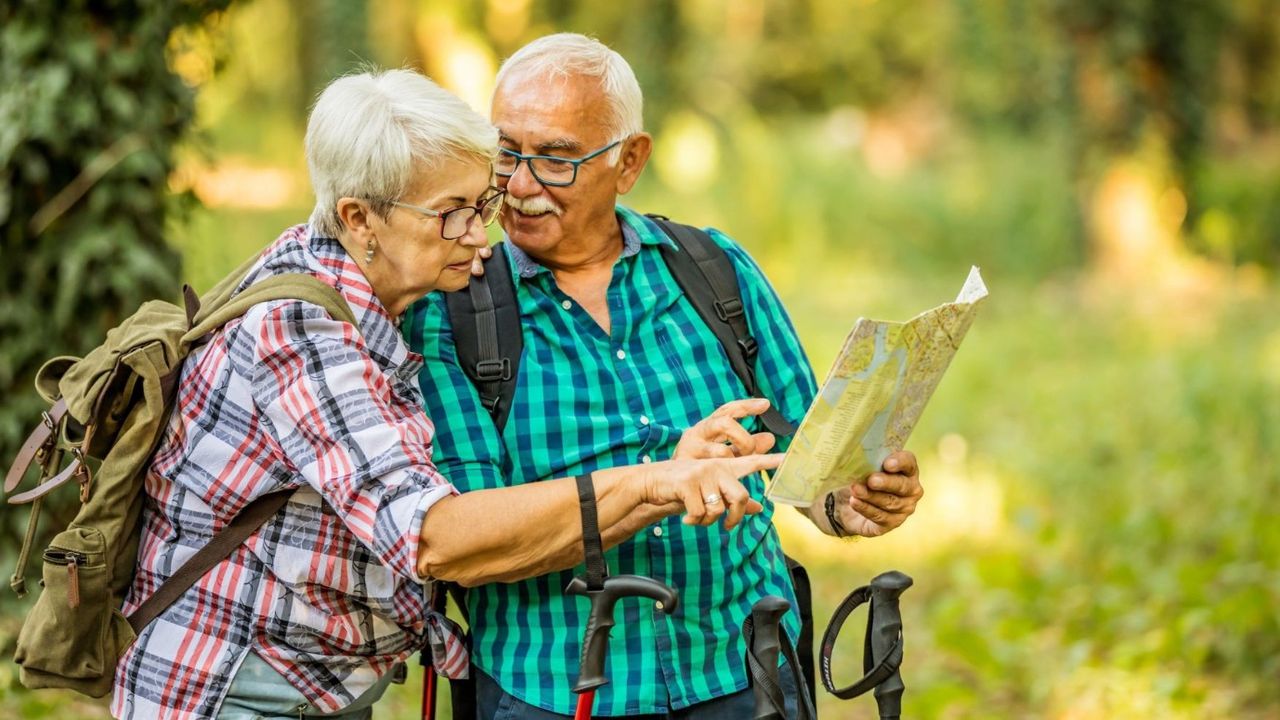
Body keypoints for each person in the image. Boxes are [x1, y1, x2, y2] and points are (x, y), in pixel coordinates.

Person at [109, 68, 781, 720]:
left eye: (480, 205)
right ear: (359, 218)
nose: (481, 235)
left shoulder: (367, 289)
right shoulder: (301, 334)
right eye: (452, 214)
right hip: (233, 684)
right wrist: (655, 482)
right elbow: (433, 538)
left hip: (315, 680)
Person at [405, 34, 925, 719]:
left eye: (557, 159)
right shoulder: (453, 311)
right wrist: (661, 485)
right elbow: (465, 545)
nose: (522, 186)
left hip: (744, 673)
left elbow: (806, 461)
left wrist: (849, 502)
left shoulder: (713, 269)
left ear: (629, 161)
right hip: (558, 689)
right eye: (507, 153)